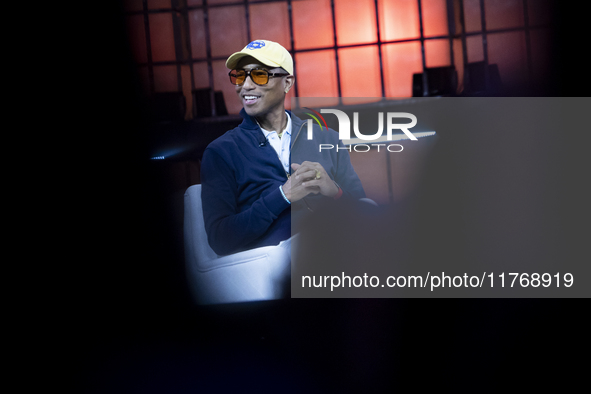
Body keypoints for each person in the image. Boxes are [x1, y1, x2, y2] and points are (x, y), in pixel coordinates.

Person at [200, 39, 365, 256]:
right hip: (278, 267)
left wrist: (334, 190)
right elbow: (220, 239)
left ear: (287, 82)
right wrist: (282, 196)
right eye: (240, 76)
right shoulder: (221, 152)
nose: (246, 86)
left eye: (260, 74)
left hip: (337, 252)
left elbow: (364, 213)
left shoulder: (328, 139)